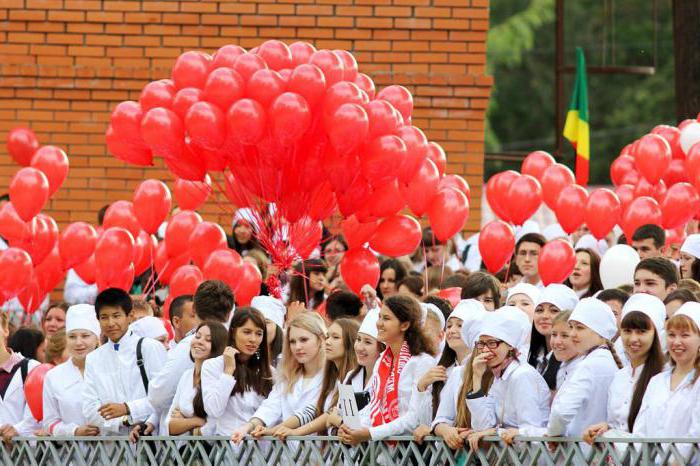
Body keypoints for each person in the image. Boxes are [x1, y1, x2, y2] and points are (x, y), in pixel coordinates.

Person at [338, 295, 436, 445]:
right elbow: (375, 406)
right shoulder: (381, 361)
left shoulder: (422, 362)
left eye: (386, 318)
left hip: (410, 451)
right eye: (379, 317)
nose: (379, 324)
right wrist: (350, 427)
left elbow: (415, 419)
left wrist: (370, 433)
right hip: (382, 452)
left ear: (404, 325)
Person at [147, 280, 235, 435]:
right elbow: (170, 420)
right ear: (229, 313)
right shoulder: (237, 343)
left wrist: (189, 420)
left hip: (206, 444)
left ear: (194, 309)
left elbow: (158, 396)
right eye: (201, 337)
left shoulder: (188, 345)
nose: (202, 343)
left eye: (208, 340)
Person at [82, 288, 167, 436]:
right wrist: (123, 421)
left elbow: (163, 397)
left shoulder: (149, 347)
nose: (110, 323)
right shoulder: (93, 358)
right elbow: (90, 409)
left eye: (116, 316)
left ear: (130, 316)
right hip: (111, 447)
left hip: (149, 440)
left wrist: (128, 408)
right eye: (104, 317)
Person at [582, 293, 665, 442]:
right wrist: (606, 428)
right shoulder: (620, 377)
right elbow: (619, 424)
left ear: (656, 334)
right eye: (627, 331)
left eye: (641, 331)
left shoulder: (664, 378)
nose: (633, 339)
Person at [465, 310, 551, 449]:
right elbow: (483, 426)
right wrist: (476, 377)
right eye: (481, 344)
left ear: (510, 345)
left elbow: (530, 432)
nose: (485, 350)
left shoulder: (522, 375)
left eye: (492, 343)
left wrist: (495, 432)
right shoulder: (499, 376)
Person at [242, 313, 326, 442]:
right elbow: (270, 406)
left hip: (322, 457)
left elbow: (311, 411)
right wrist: (249, 426)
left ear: (320, 339)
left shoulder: (332, 376)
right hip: (287, 456)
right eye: (292, 341)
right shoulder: (287, 377)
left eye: (304, 340)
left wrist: (273, 430)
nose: (297, 347)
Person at [546, 298, 623, 438]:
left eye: (580, 328)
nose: (573, 333)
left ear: (599, 332)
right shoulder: (602, 360)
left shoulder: (591, 364)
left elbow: (562, 411)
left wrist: (553, 434)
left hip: (582, 451)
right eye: (571, 327)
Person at [413, 299, 486, 443]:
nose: (452, 330)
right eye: (449, 325)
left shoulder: (486, 367)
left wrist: (435, 430)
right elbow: (428, 419)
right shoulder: (441, 368)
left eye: (460, 325)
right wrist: (422, 387)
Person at [630, 303, 700, 451]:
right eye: (672, 335)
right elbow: (640, 432)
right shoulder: (657, 381)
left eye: (685, 335)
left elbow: (696, 435)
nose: (676, 342)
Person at [200, 309, 273, 438]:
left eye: (259, 333)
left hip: (263, 450)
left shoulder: (270, 372)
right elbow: (213, 410)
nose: (253, 339)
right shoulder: (213, 366)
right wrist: (228, 371)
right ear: (233, 332)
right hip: (228, 446)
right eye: (247, 332)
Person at [282, 318, 360, 436]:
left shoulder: (355, 378)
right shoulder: (335, 379)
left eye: (335, 337)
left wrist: (296, 432)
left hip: (352, 453)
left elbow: (351, 423)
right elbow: (312, 411)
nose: (327, 342)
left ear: (350, 342)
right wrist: (275, 430)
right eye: (328, 336)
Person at [42, 304, 101, 436]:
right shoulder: (53, 376)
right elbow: (49, 422)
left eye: (85, 336)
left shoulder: (112, 370)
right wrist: (73, 431)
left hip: (113, 452)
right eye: (72, 337)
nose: (78, 342)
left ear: (97, 339)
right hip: (69, 454)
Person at [167, 321, 227, 436]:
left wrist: (184, 421)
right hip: (182, 450)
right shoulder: (186, 376)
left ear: (218, 346)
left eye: (208, 340)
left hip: (211, 451)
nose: (199, 341)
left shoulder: (220, 378)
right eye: (198, 336)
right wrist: (196, 421)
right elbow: (170, 426)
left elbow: (212, 427)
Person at [527, 284, 579, 389]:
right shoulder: (534, 355)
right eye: (539, 310)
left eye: (554, 310)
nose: (545, 316)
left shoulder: (573, 361)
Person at [0, 313, 41, 438]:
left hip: (24, 455)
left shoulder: (32, 369)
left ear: (5, 329)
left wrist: (18, 430)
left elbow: (41, 418)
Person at [251, 295, 285, 367]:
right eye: (256, 321)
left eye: (266, 322)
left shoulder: (289, 358)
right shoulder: (245, 356)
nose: (261, 327)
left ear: (277, 327)